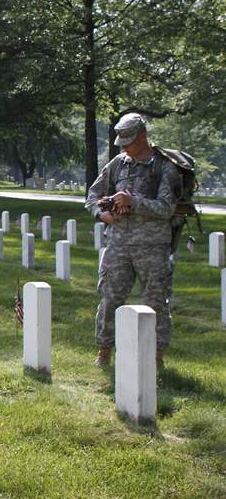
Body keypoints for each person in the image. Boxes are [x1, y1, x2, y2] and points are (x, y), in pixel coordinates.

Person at [86, 112, 181, 370]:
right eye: (122, 140)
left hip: (152, 245)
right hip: (118, 243)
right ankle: (104, 351)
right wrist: (101, 213)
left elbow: (165, 208)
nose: (125, 145)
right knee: (109, 297)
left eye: (129, 139)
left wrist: (133, 202)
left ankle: (156, 357)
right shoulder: (118, 163)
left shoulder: (164, 166)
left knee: (155, 301)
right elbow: (92, 196)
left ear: (143, 135)